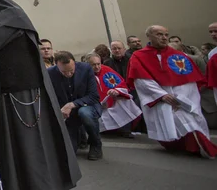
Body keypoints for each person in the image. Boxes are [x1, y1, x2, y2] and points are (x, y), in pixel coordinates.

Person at [0, 0, 80, 189]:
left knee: (29, 146)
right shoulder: (3, 18)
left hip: (21, 94)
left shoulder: (11, 17)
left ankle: (36, 183)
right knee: (17, 144)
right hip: (12, 93)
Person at [128, 25, 217, 158]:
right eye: (159, 34)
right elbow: (141, 81)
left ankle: (198, 147)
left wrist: (180, 98)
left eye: (166, 35)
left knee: (190, 124)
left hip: (182, 99)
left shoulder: (178, 55)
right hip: (159, 98)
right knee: (169, 125)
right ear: (149, 36)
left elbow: (188, 80)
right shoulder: (139, 56)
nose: (164, 38)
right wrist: (162, 95)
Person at [48, 51, 102, 160]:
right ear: (56, 65)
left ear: (75, 63)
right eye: (64, 72)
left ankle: (95, 143)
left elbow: (93, 96)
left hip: (87, 106)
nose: (68, 74)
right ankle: (79, 138)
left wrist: (72, 104)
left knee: (84, 113)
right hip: (67, 113)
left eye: (71, 71)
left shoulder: (86, 69)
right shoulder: (49, 73)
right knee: (68, 153)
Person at [87, 53, 141, 135]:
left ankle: (125, 129)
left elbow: (121, 83)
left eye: (98, 64)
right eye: (93, 65)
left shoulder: (107, 70)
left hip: (113, 99)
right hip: (96, 103)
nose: (97, 67)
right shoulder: (85, 75)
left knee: (126, 103)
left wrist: (116, 91)